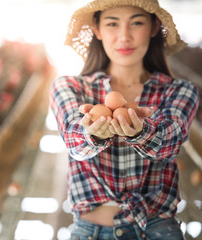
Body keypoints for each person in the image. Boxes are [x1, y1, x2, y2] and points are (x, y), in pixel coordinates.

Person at [49, 0, 200, 239]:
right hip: (91, 232)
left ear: (153, 27)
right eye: (112, 23)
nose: (124, 36)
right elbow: (73, 140)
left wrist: (141, 132)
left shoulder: (179, 90)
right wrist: (93, 133)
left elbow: (170, 142)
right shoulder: (70, 87)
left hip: (157, 231)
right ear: (97, 29)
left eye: (137, 22)